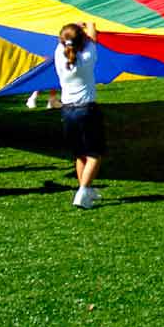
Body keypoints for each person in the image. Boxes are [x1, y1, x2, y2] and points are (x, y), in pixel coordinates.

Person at [55, 22, 105, 210]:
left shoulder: (60, 55)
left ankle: (86, 187)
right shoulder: (87, 56)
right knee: (94, 155)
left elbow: (66, 40)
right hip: (87, 111)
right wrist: (89, 24)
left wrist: (75, 28)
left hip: (67, 111)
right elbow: (92, 35)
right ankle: (83, 192)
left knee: (80, 154)